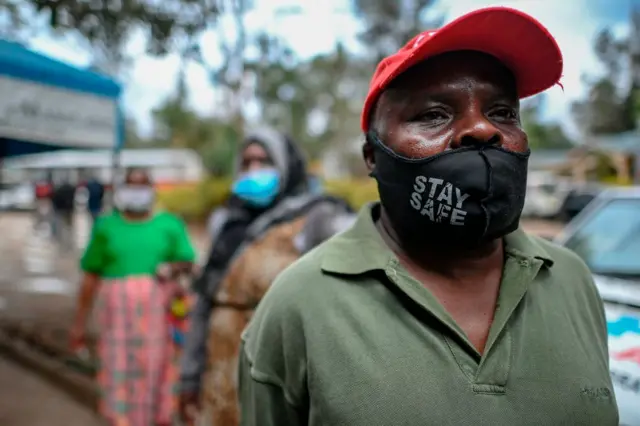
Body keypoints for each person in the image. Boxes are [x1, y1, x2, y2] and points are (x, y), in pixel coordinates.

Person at [237, 7, 619, 426]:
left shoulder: (571, 279)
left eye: (503, 112)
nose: (481, 129)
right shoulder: (298, 305)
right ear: (373, 158)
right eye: (433, 114)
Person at [178, 127, 355, 426]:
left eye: (264, 161)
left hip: (281, 376)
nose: (253, 170)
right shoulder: (227, 224)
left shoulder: (318, 219)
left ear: (287, 166)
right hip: (220, 372)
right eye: (246, 163)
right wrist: (189, 377)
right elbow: (204, 306)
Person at [69, 168, 197, 426]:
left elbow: (188, 263)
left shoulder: (169, 225)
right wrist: (79, 324)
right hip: (118, 323)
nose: (136, 192)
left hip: (158, 321)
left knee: (157, 370)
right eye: (131, 186)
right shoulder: (107, 226)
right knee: (119, 372)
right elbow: (90, 278)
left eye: (142, 186)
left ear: (152, 190)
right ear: (120, 190)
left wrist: (171, 268)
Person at [51, 176, 77, 249]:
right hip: (69, 209)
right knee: (69, 227)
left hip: (60, 210)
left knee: (60, 226)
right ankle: (70, 240)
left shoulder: (59, 190)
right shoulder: (72, 189)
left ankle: (61, 241)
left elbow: (54, 199)